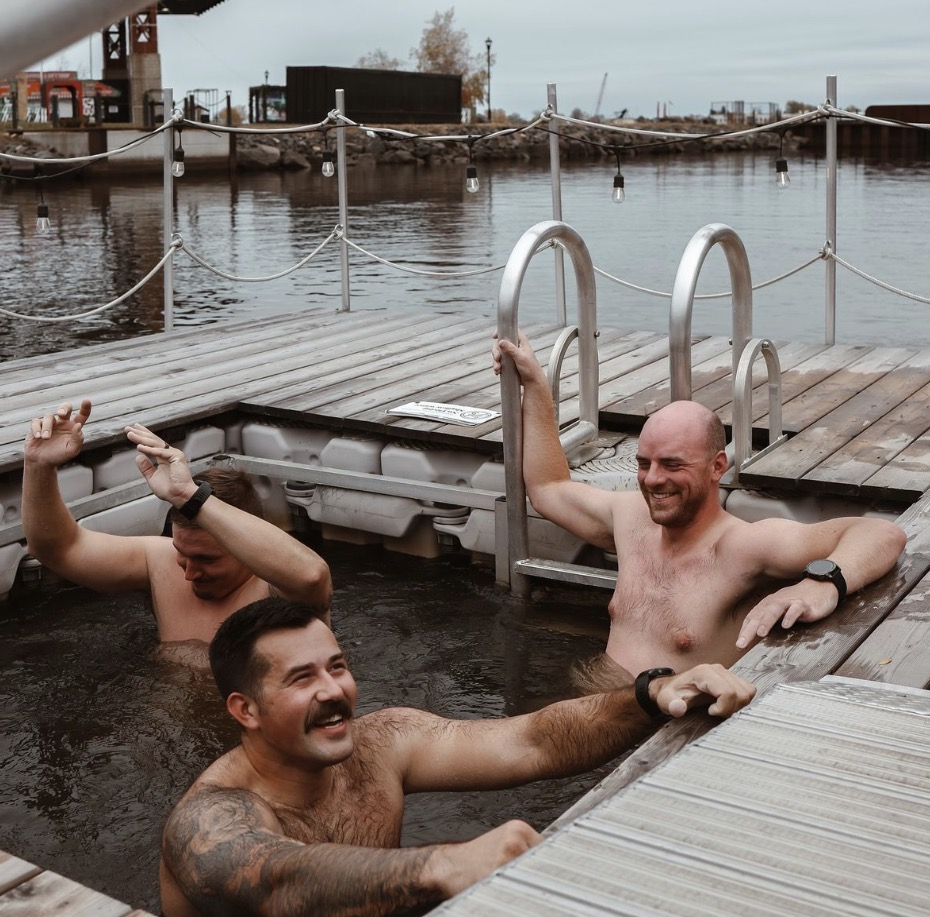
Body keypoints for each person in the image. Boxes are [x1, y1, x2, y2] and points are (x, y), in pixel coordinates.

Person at [159, 597, 756, 916]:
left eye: (336, 667)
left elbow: (533, 740)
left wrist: (653, 694)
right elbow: (274, 883)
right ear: (245, 710)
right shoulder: (209, 817)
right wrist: (446, 865)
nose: (333, 690)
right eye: (301, 678)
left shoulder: (380, 744)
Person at [492, 332, 907, 688]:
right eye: (644, 463)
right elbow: (548, 488)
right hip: (596, 708)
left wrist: (820, 585)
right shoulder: (630, 518)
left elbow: (881, 534)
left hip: (668, 732)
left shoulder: (742, 547)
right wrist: (536, 386)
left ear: (717, 467)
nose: (653, 480)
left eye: (672, 465)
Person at [22, 399, 332, 657]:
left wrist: (188, 495)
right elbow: (58, 549)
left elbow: (313, 576)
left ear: (245, 547)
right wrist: (38, 465)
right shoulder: (160, 562)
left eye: (207, 559)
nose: (189, 573)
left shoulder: (277, 589)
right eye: (182, 553)